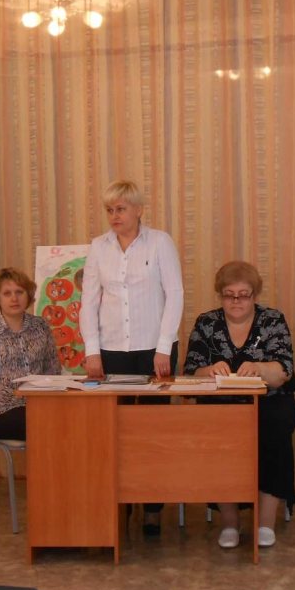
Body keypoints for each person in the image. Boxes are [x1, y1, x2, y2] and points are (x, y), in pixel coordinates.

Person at [79, 179, 184, 536]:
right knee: (116, 432)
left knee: (152, 432)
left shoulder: (160, 242)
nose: (114, 216)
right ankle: (120, 504)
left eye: (121, 209)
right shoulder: (98, 248)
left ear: (139, 210)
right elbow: (88, 302)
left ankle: (152, 507)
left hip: (154, 351)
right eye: (109, 210)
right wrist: (92, 351)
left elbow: (175, 295)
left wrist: (163, 347)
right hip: (112, 351)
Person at [183, 260, 295, 549]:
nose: (236, 301)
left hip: (269, 404)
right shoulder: (206, 323)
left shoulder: (272, 320)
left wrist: (259, 368)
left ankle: (265, 524)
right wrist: (208, 371)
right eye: (229, 294)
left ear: (254, 294)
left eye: (243, 294)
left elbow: (284, 371)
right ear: (220, 295)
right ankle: (230, 524)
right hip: (220, 407)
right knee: (218, 439)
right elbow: (190, 372)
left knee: (275, 431)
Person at [0, 267, 61, 441]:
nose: (14, 298)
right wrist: (23, 396)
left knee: (76, 418)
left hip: (41, 405)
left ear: (28, 295)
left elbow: (53, 369)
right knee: (48, 424)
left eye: (19, 292)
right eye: (7, 293)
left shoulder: (40, 326)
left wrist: (42, 398)